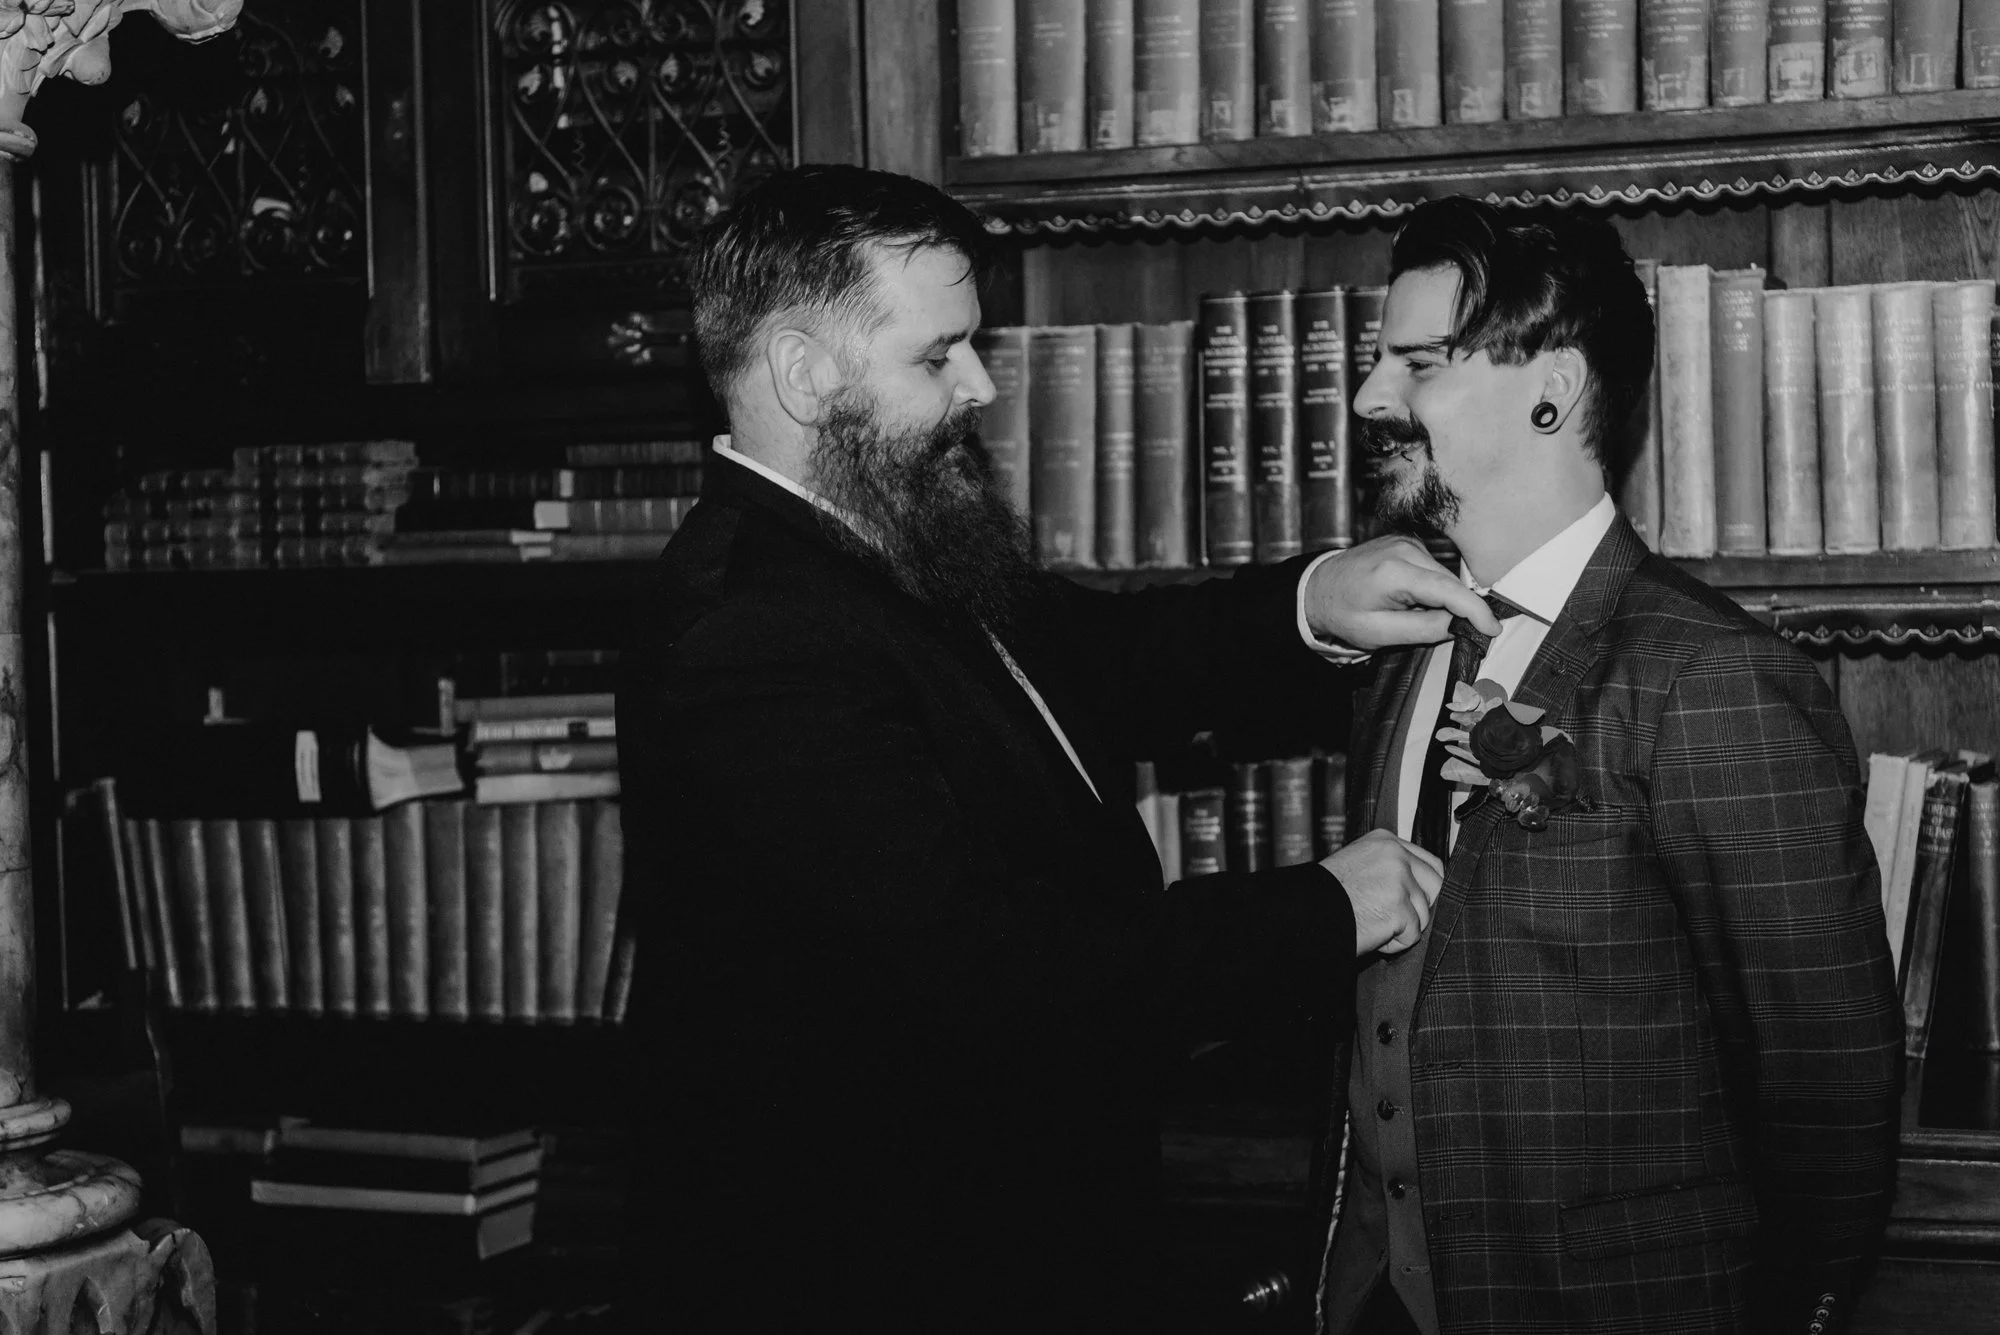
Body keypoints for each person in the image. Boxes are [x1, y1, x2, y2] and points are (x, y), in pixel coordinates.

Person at [614, 164, 1499, 1330]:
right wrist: (1322, 909)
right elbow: (988, 973)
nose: (978, 386)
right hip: (885, 1270)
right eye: (938, 356)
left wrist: (1312, 599)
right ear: (803, 369)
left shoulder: (863, 541)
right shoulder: (750, 633)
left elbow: (1104, 655)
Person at [1319, 197, 1903, 1335]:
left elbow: (1825, 1073)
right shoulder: (1390, 649)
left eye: (1418, 365)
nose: (1368, 400)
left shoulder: (1712, 678)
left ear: (1554, 389)